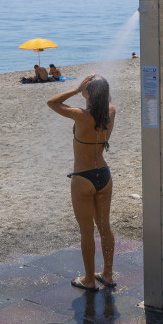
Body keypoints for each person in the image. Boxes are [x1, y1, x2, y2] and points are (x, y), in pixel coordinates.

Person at [47, 74, 117, 292]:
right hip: (104, 176)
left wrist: (78, 90)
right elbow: (105, 101)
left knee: (87, 231)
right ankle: (107, 274)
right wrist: (95, 90)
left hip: (83, 178)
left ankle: (88, 279)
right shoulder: (110, 112)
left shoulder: (80, 116)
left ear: (89, 93)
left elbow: (52, 102)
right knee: (104, 226)